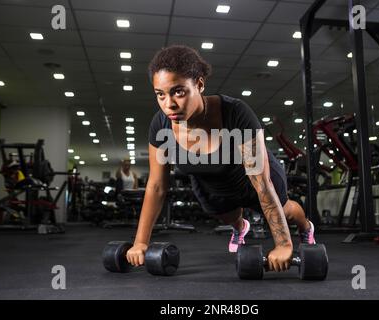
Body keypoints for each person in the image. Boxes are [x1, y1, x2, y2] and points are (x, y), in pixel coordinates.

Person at [126, 45, 315, 272]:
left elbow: (262, 184)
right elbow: (156, 186)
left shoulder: (236, 114)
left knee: (285, 212)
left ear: (199, 84)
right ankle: (240, 227)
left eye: (178, 91)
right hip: (211, 184)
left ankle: (306, 227)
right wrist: (140, 243)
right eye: (160, 94)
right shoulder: (161, 126)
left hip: (252, 179)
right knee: (227, 216)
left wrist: (284, 244)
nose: (169, 104)